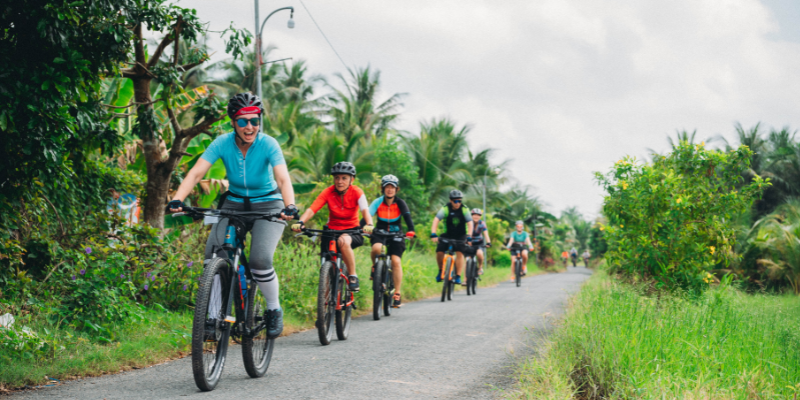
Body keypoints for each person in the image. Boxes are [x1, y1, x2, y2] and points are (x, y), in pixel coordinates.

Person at [168, 92, 298, 338]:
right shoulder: (221, 143)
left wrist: (289, 205)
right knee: (214, 253)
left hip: (269, 205)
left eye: (255, 121)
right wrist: (178, 198)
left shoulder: (269, 143)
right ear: (233, 123)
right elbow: (196, 173)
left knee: (260, 260)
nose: (250, 127)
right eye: (243, 121)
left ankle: (273, 308)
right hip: (233, 204)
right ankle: (214, 316)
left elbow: (283, 178)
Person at [292, 162, 374, 292]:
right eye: (337, 178)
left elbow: (365, 210)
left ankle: (352, 276)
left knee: (343, 241)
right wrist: (301, 222)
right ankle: (325, 304)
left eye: (344, 178)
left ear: (351, 179)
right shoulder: (328, 192)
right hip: (331, 231)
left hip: (352, 231)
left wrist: (369, 224)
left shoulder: (357, 192)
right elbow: (313, 209)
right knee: (325, 266)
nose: (340, 181)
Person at [368, 175, 416, 307]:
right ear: (382, 188)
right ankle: (375, 266)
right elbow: (368, 215)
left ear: (397, 189)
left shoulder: (400, 203)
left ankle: (397, 293)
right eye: (387, 187)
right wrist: (363, 226)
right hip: (380, 233)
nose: (390, 190)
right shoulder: (378, 202)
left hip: (396, 234)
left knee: (395, 261)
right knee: (376, 249)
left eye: (392, 187)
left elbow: (407, 217)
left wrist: (411, 230)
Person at [431, 190, 474, 285]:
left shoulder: (464, 209)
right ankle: (440, 270)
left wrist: (469, 236)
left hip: (461, 235)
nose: (457, 203)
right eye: (455, 201)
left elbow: (470, 223)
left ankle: (458, 276)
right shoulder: (445, 208)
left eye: (459, 201)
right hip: (448, 234)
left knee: (459, 252)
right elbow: (436, 220)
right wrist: (433, 233)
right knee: (439, 251)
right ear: (451, 201)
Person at [467, 208, 491, 275]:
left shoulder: (482, 223)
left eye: (478, 215)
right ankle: (465, 280)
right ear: (471, 215)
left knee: (479, 254)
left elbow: (486, 233)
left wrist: (488, 242)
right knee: (467, 260)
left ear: (480, 216)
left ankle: (480, 267)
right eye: (474, 215)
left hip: (479, 243)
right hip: (469, 242)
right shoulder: (468, 222)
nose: (476, 216)